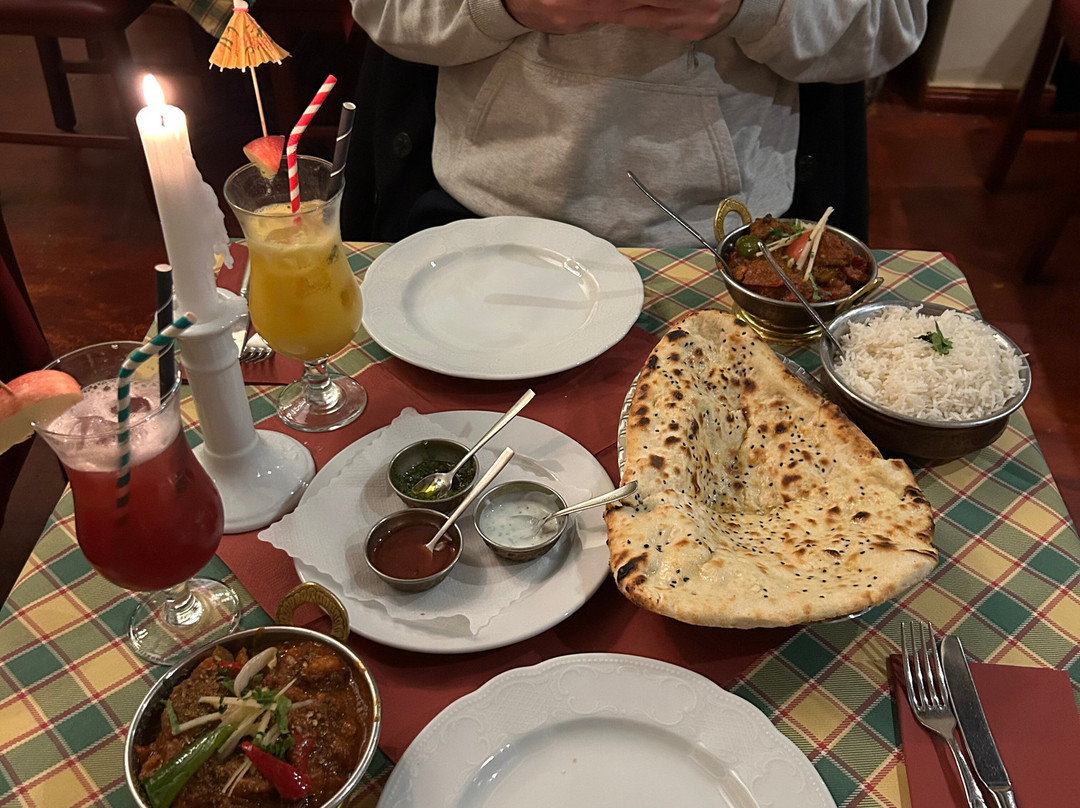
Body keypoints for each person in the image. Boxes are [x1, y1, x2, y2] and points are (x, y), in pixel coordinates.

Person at [348, 0, 928, 247]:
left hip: (732, 234)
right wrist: (505, 7)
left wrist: (752, 9)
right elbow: (383, 9)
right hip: (478, 214)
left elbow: (892, 20)